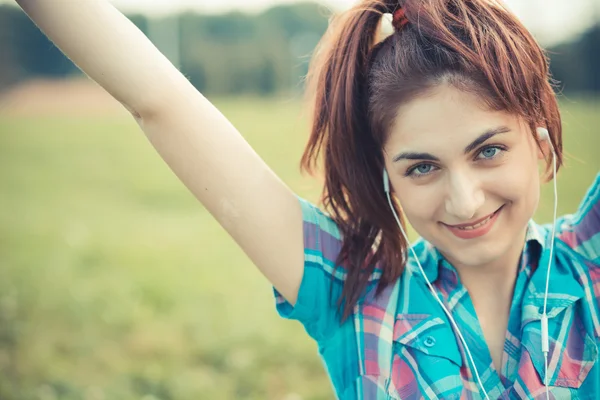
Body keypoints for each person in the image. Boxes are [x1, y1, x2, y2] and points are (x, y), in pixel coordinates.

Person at [15, 0, 599, 398]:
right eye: (422, 167)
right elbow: (159, 100)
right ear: (387, 178)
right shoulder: (358, 294)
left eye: (489, 151)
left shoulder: (589, 262)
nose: (465, 200)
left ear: (542, 148)